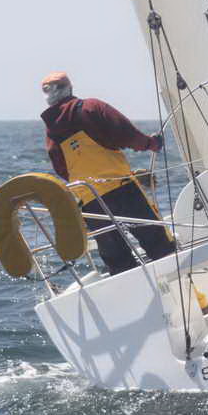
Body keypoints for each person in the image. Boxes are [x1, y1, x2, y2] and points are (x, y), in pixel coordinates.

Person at [40, 72, 178, 275]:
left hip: (91, 202)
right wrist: (151, 144)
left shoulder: (51, 132)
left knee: (118, 262)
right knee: (160, 245)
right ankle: (186, 290)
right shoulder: (91, 107)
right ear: (69, 87)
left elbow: (61, 168)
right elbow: (127, 134)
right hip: (123, 191)